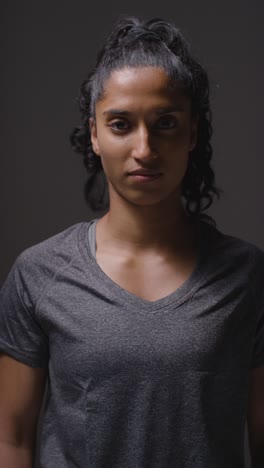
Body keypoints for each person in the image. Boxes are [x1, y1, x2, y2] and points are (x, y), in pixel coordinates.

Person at [0, 15, 263, 468]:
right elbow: (12, 440)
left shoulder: (247, 275)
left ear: (193, 132)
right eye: (121, 124)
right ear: (96, 134)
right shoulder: (39, 273)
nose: (144, 148)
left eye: (165, 123)